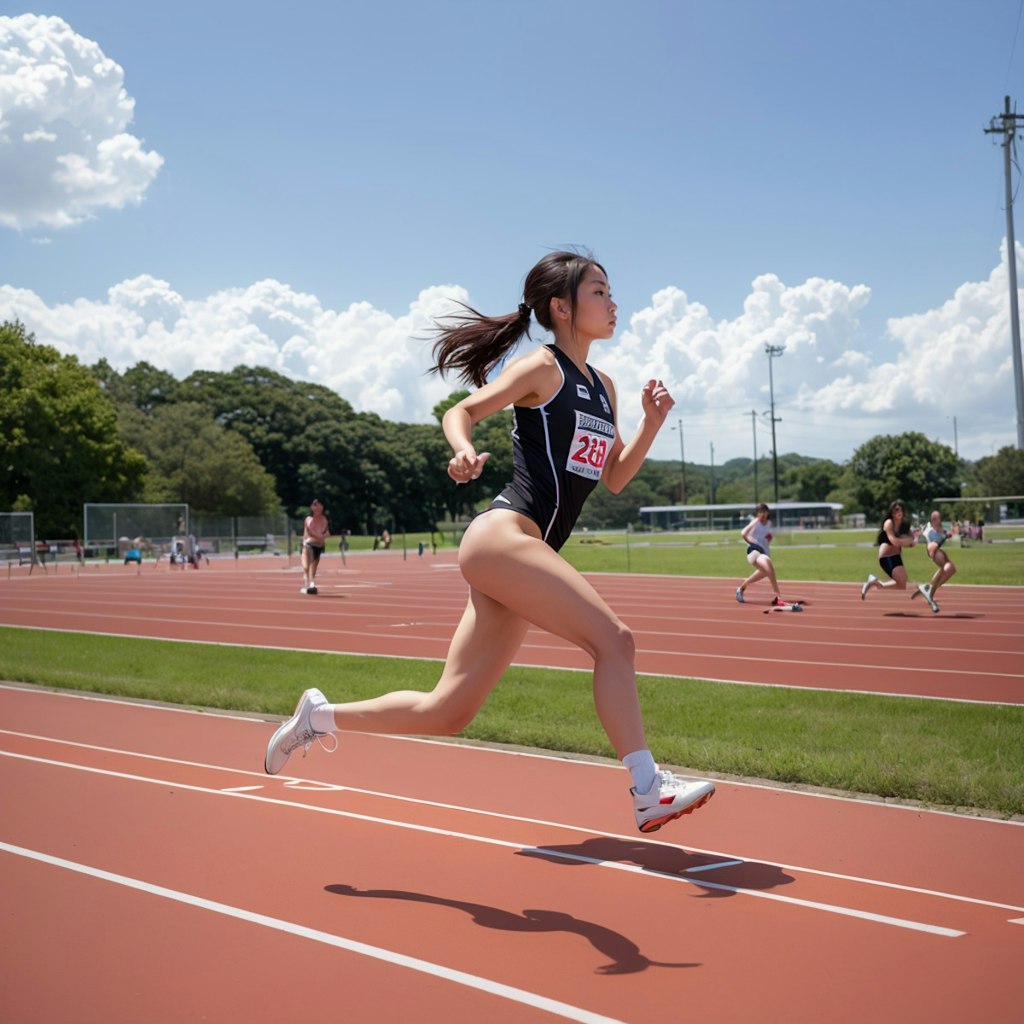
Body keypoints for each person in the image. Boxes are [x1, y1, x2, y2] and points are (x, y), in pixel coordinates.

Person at [264, 249, 716, 834]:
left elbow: (616, 476)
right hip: (504, 536)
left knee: (448, 710)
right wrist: (461, 450)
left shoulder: (604, 387)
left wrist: (653, 424)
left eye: (610, 291)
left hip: (526, 557)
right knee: (615, 642)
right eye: (599, 291)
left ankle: (318, 717)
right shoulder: (542, 369)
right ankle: (648, 787)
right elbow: (464, 411)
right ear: (561, 307)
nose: (613, 302)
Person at [860, 500, 938, 613]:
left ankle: (875, 583)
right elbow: (895, 541)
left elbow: (911, 544)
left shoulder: (905, 524)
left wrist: (913, 539)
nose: (899, 511)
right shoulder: (888, 523)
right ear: (891, 512)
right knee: (902, 582)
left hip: (896, 556)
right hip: (886, 556)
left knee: (902, 584)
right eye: (896, 509)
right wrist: (909, 539)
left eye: (901, 509)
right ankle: (923, 589)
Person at [735, 502, 790, 606]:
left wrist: (769, 538)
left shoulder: (769, 523)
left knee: (765, 572)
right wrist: (752, 543)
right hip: (754, 551)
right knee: (769, 568)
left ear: (767, 513)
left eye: (764, 512)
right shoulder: (755, 522)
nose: (762, 514)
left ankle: (741, 588)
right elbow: (743, 533)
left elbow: (765, 536)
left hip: (764, 552)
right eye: (760, 512)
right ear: (757, 514)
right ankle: (778, 597)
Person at [913, 509, 956, 604]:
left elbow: (942, 536)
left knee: (951, 569)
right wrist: (945, 536)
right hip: (934, 552)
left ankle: (928, 591)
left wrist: (949, 534)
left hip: (936, 550)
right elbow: (935, 545)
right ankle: (929, 590)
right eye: (937, 519)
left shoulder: (937, 527)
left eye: (939, 518)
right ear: (933, 520)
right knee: (945, 568)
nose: (939, 520)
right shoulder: (930, 531)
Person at [300, 499, 330, 594]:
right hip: (308, 545)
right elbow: (309, 532)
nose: (316, 507)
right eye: (314, 505)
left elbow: (325, 533)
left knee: (314, 565)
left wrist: (322, 537)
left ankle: (310, 582)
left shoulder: (324, 520)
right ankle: (309, 583)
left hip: (319, 545)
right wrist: (305, 541)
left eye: (318, 505)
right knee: (306, 565)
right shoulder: (308, 520)